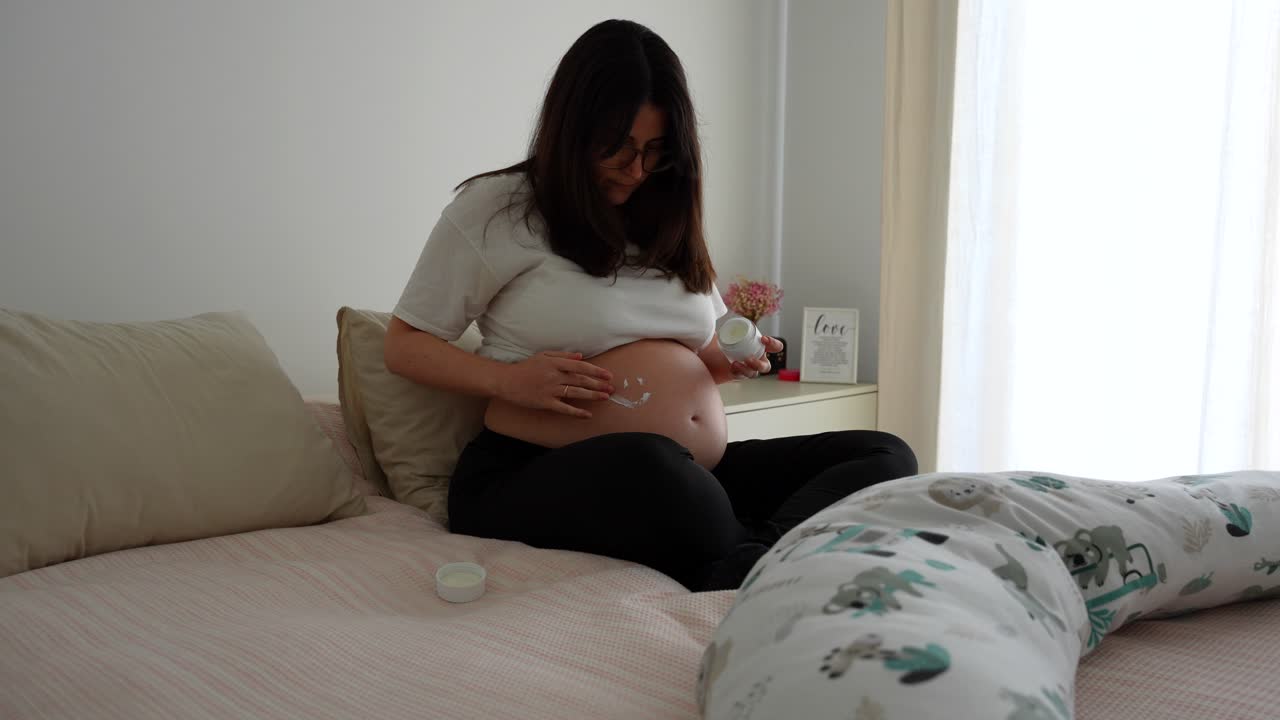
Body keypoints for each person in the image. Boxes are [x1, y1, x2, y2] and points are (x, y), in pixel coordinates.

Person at [384, 19, 917, 591]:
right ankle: (766, 554)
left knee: (884, 454)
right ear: (573, 128)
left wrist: (731, 362)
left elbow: (697, 354)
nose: (637, 169)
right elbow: (404, 345)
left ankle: (744, 556)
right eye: (619, 147)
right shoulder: (501, 208)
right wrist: (510, 382)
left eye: (656, 151)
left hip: (687, 475)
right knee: (654, 465)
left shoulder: (664, 218)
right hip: (530, 472)